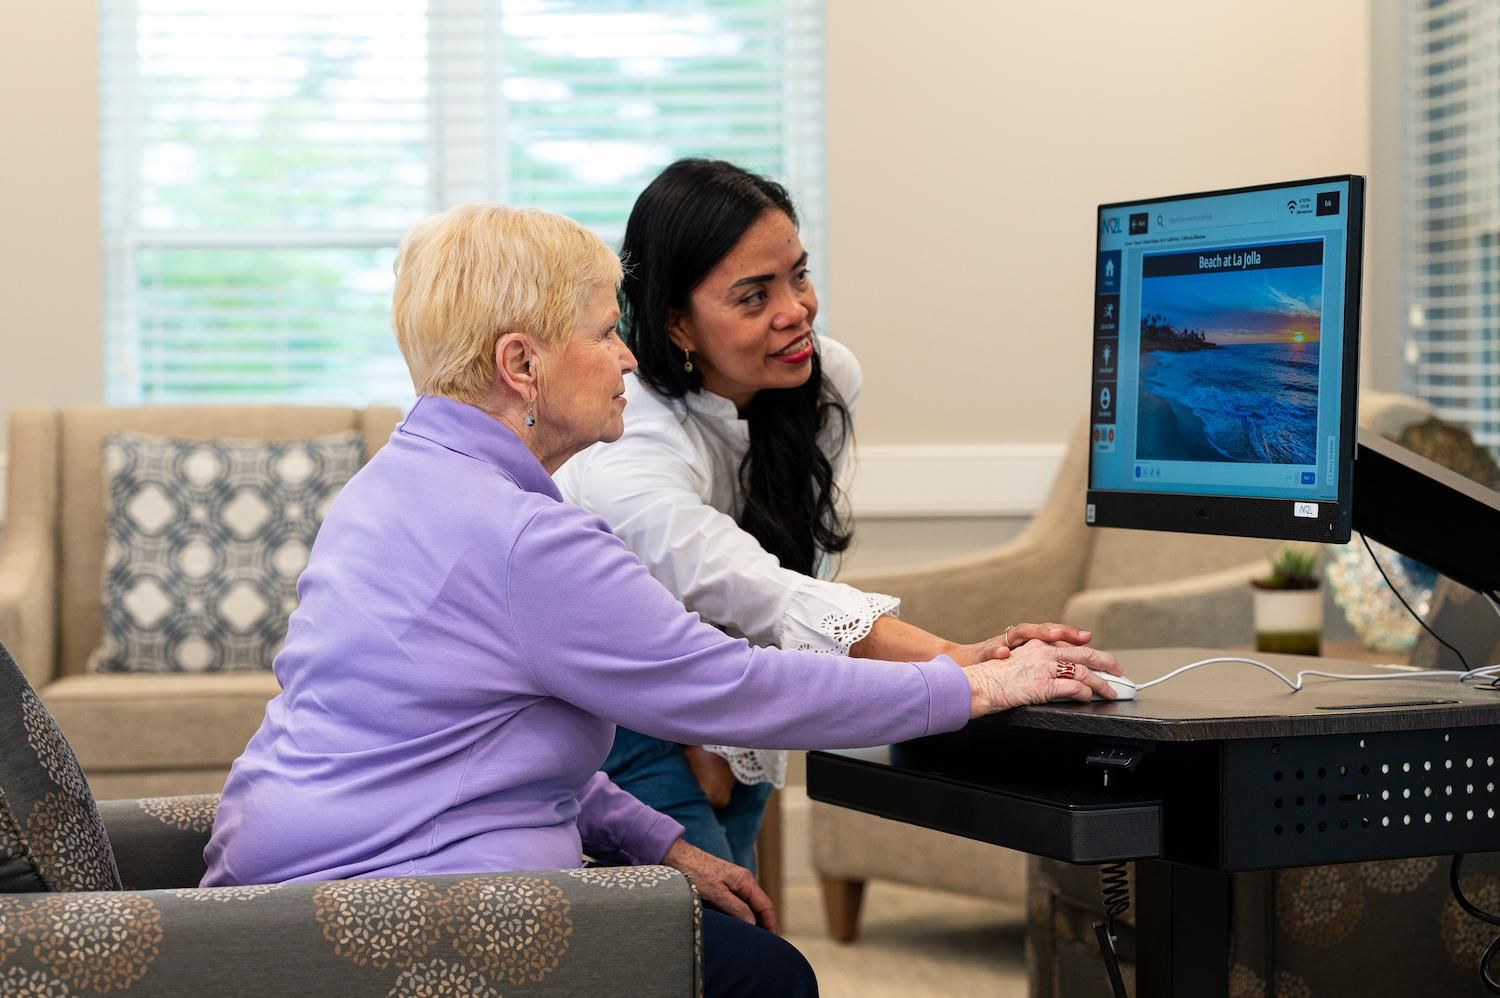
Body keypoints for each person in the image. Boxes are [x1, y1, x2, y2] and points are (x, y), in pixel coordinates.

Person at [202, 202, 1122, 998]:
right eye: (604, 333)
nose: (628, 360)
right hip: (394, 906)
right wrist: (972, 691)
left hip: (293, 879)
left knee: (735, 940)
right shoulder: (524, 537)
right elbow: (730, 686)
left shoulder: (396, 483)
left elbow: (468, 742)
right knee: (771, 976)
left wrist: (658, 841)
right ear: (521, 365)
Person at [556, 158, 1095, 869]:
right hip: (614, 710)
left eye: (798, 276)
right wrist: (964, 662)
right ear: (677, 324)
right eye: (754, 297)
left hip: (735, 691)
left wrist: (720, 742)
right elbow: (749, 585)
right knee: (707, 940)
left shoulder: (825, 377)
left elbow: (801, 564)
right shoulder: (629, 444)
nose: (796, 311)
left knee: (733, 924)